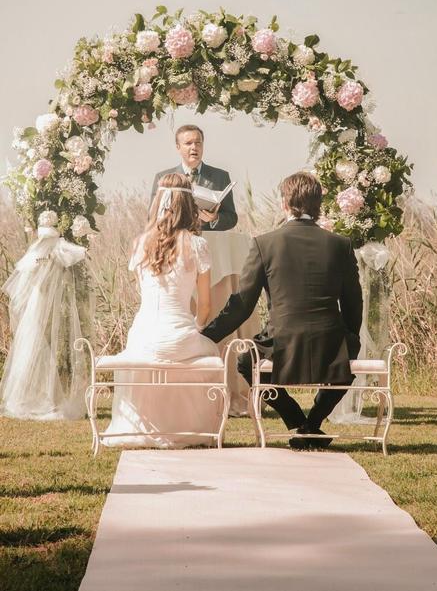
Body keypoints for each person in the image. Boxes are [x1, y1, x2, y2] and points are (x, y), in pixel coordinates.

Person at [202, 171, 363, 449]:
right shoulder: (341, 244)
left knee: (245, 363)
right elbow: (353, 302)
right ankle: (312, 424)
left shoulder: (265, 244)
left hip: (282, 341)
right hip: (331, 340)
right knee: (349, 355)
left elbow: (241, 304)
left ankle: (297, 420)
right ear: (318, 204)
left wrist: (207, 336)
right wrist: (350, 337)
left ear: (284, 204)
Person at [103, 173, 223, 448]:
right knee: (209, 351)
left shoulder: (139, 244)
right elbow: (205, 306)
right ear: (187, 204)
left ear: (159, 201)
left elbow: (141, 293)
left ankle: (144, 424)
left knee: (147, 353)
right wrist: (196, 327)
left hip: (143, 334)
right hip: (180, 335)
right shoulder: (197, 245)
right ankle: (190, 426)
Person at [150, 124, 237, 231]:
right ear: (178, 147)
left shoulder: (221, 176)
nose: (194, 147)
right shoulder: (163, 178)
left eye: (198, 143)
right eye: (188, 143)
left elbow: (231, 218)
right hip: (175, 243)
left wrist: (215, 218)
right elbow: (152, 217)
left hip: (209, 243)